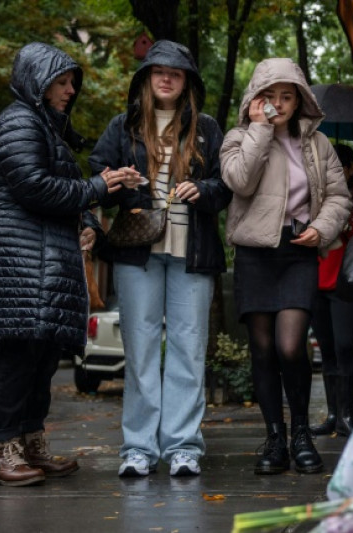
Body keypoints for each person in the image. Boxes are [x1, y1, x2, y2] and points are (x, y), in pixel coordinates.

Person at [0, 42, 124, 486]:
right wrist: (98, 188)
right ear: (38, 83)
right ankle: (0, 450)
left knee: (40, 356)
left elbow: (63, 190)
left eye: (70, 84)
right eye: (61, 83)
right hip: (14, 263)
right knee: (15, 355)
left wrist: (87, 220)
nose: (69, 91)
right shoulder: (19, 121)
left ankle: (29, 440)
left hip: (40, 265)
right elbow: (34, 187)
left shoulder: (46, 127)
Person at [89, 40, 232, 478]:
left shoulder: (207, 128)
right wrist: (122, 182)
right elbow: (97, 175)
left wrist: (202, 191)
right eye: (157, 71)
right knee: (141, 352)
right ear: (147, 79)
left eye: (175, 71)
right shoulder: (123, 126)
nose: (166, 78)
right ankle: (138, 449)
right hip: (137, 255)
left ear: (186, 79)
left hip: (192, 254)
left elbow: (226, 187)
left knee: (189, 351)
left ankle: (184, 447)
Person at [220, 58, 351, 475]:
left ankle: (301, 434)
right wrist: (260, 128)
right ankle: (274, 437)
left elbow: (339, 197)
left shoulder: (317, 144)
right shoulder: (238, 137)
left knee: (291, 346)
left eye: (287, 96)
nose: (278, 103)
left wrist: (322, 228)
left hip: (298, 250)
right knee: (261, 349)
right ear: (256, 98)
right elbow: (239, 182)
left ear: (299, 100)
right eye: (270, 96)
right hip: (255, 253)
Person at [310, 144, 353, 437]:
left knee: (345, 346)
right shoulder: (317, 198)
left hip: (345, 283)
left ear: (351, 169)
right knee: (327, 350)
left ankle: (347, 414)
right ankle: (332, 414)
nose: (336, 173)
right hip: (317, 282)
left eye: (341, 168)